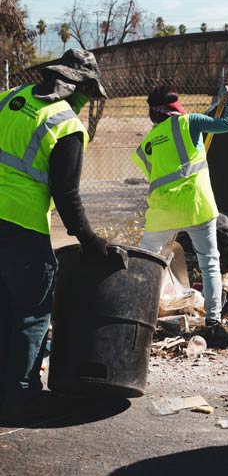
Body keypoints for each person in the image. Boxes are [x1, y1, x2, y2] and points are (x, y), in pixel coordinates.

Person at [0, 49, 109, 418]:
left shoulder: (8, 98)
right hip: (21, 226)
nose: (84, 102)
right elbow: (66, 194)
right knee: (31, 314)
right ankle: (20, 397)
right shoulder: (65, 124)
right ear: (76, 87)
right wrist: (91, 241)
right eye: (87, 94)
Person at [132, 83, 228, 342]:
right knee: (209, 263)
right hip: (197, 206)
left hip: (162, 212)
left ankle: (137, 316)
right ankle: (213, 322)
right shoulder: (189, 122)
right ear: (174, 107)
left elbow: (155, 176)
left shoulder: (145, 144)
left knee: (144, 263)